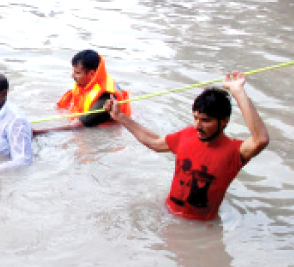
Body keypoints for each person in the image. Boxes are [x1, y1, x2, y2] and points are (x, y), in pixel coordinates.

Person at [104, 71, 269, 221]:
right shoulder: (188, 134)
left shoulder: (233, 151)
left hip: (201, 227)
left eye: (206, 120)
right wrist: (120, 117)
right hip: (168, 213)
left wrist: (238, 91)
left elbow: (260, 139)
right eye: (196, 118)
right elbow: (154, 142)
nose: (198, 125)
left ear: (224, 120)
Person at [33, 50, 132, 135]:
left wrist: (39, 132)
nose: (73, 76)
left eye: (77, 73)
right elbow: (72, 96)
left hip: (105, 133)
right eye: (74, 71)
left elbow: (78, 125)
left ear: (92, 74)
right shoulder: (89, 82)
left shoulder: (105, 98)